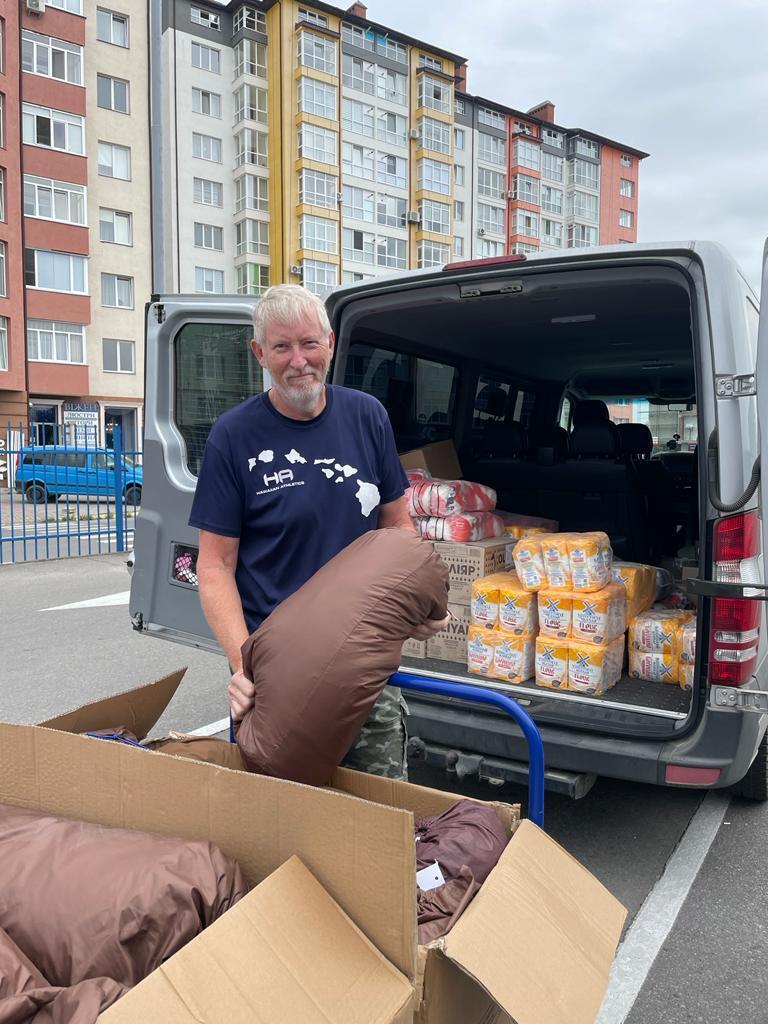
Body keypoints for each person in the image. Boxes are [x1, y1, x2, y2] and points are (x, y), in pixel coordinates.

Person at [189, 284, 448, 780]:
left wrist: (421, 605)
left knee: (376, 804)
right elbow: (215, 565)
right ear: (259, 352)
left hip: (366, 659)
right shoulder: (233, 435)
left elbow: (397, 527)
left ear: (329, 343)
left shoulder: (366, 415)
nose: (298, 360)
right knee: (279, 810)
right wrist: (242, 666)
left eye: (309, 344)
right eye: (281, 347)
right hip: (275, 665)